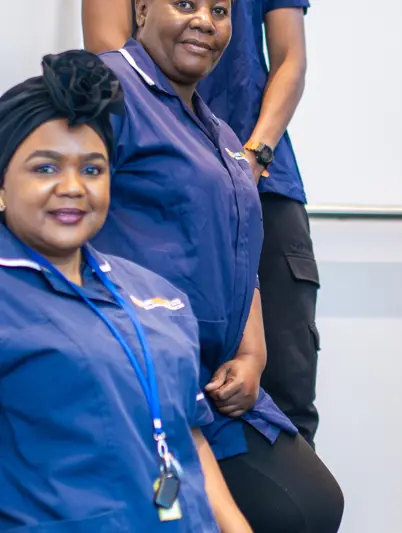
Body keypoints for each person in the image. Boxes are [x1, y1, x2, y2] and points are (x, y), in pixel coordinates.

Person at [82, 1, 343, 531]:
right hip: (136, 376)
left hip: (211, 383)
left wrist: (251, 353)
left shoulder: (222, 136)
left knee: (310, 499)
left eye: (220, 11)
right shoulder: (105, 95)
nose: (204, 20)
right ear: (141, 10)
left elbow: (239, 253)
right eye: (185, 4)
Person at [0, 49, 251, 532]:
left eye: (92, 169)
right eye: (45, 168)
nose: (73, 187)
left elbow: (188, 436)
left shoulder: (160, 298)